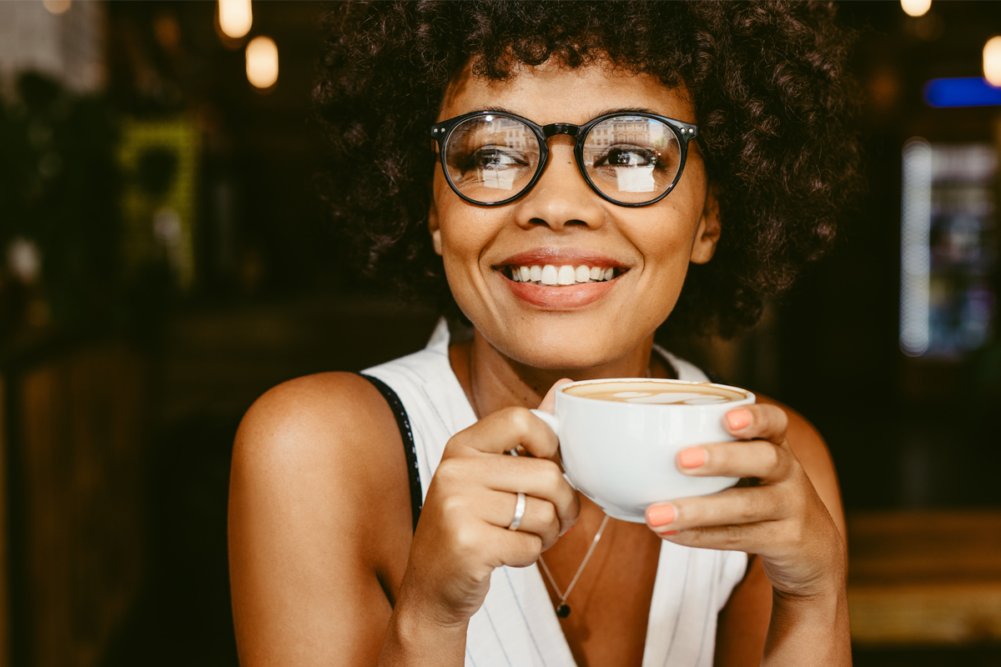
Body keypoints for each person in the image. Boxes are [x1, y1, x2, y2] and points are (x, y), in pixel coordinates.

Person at [228, 2, 862, 665]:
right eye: (492, 153)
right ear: (434, 212)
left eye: (627, 152)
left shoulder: (767, 465)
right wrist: (431, 619)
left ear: (709, 217)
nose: (555, 206)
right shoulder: (316, 452)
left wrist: (814, 600)